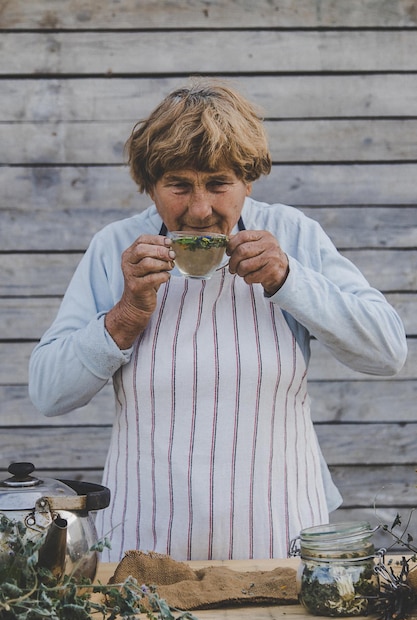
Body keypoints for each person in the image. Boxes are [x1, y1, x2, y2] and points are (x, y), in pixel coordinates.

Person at [29, 78, 407, 563]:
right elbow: (48, 392)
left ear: (248, 181)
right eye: (179, 185)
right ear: (150, 185)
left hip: (282, 542)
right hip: (143, 550)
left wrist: (289, 279)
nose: (200, 210)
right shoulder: (115, 248)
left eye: (219, 183)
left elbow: (388, 351)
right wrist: (125, 315)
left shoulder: (293, 235)